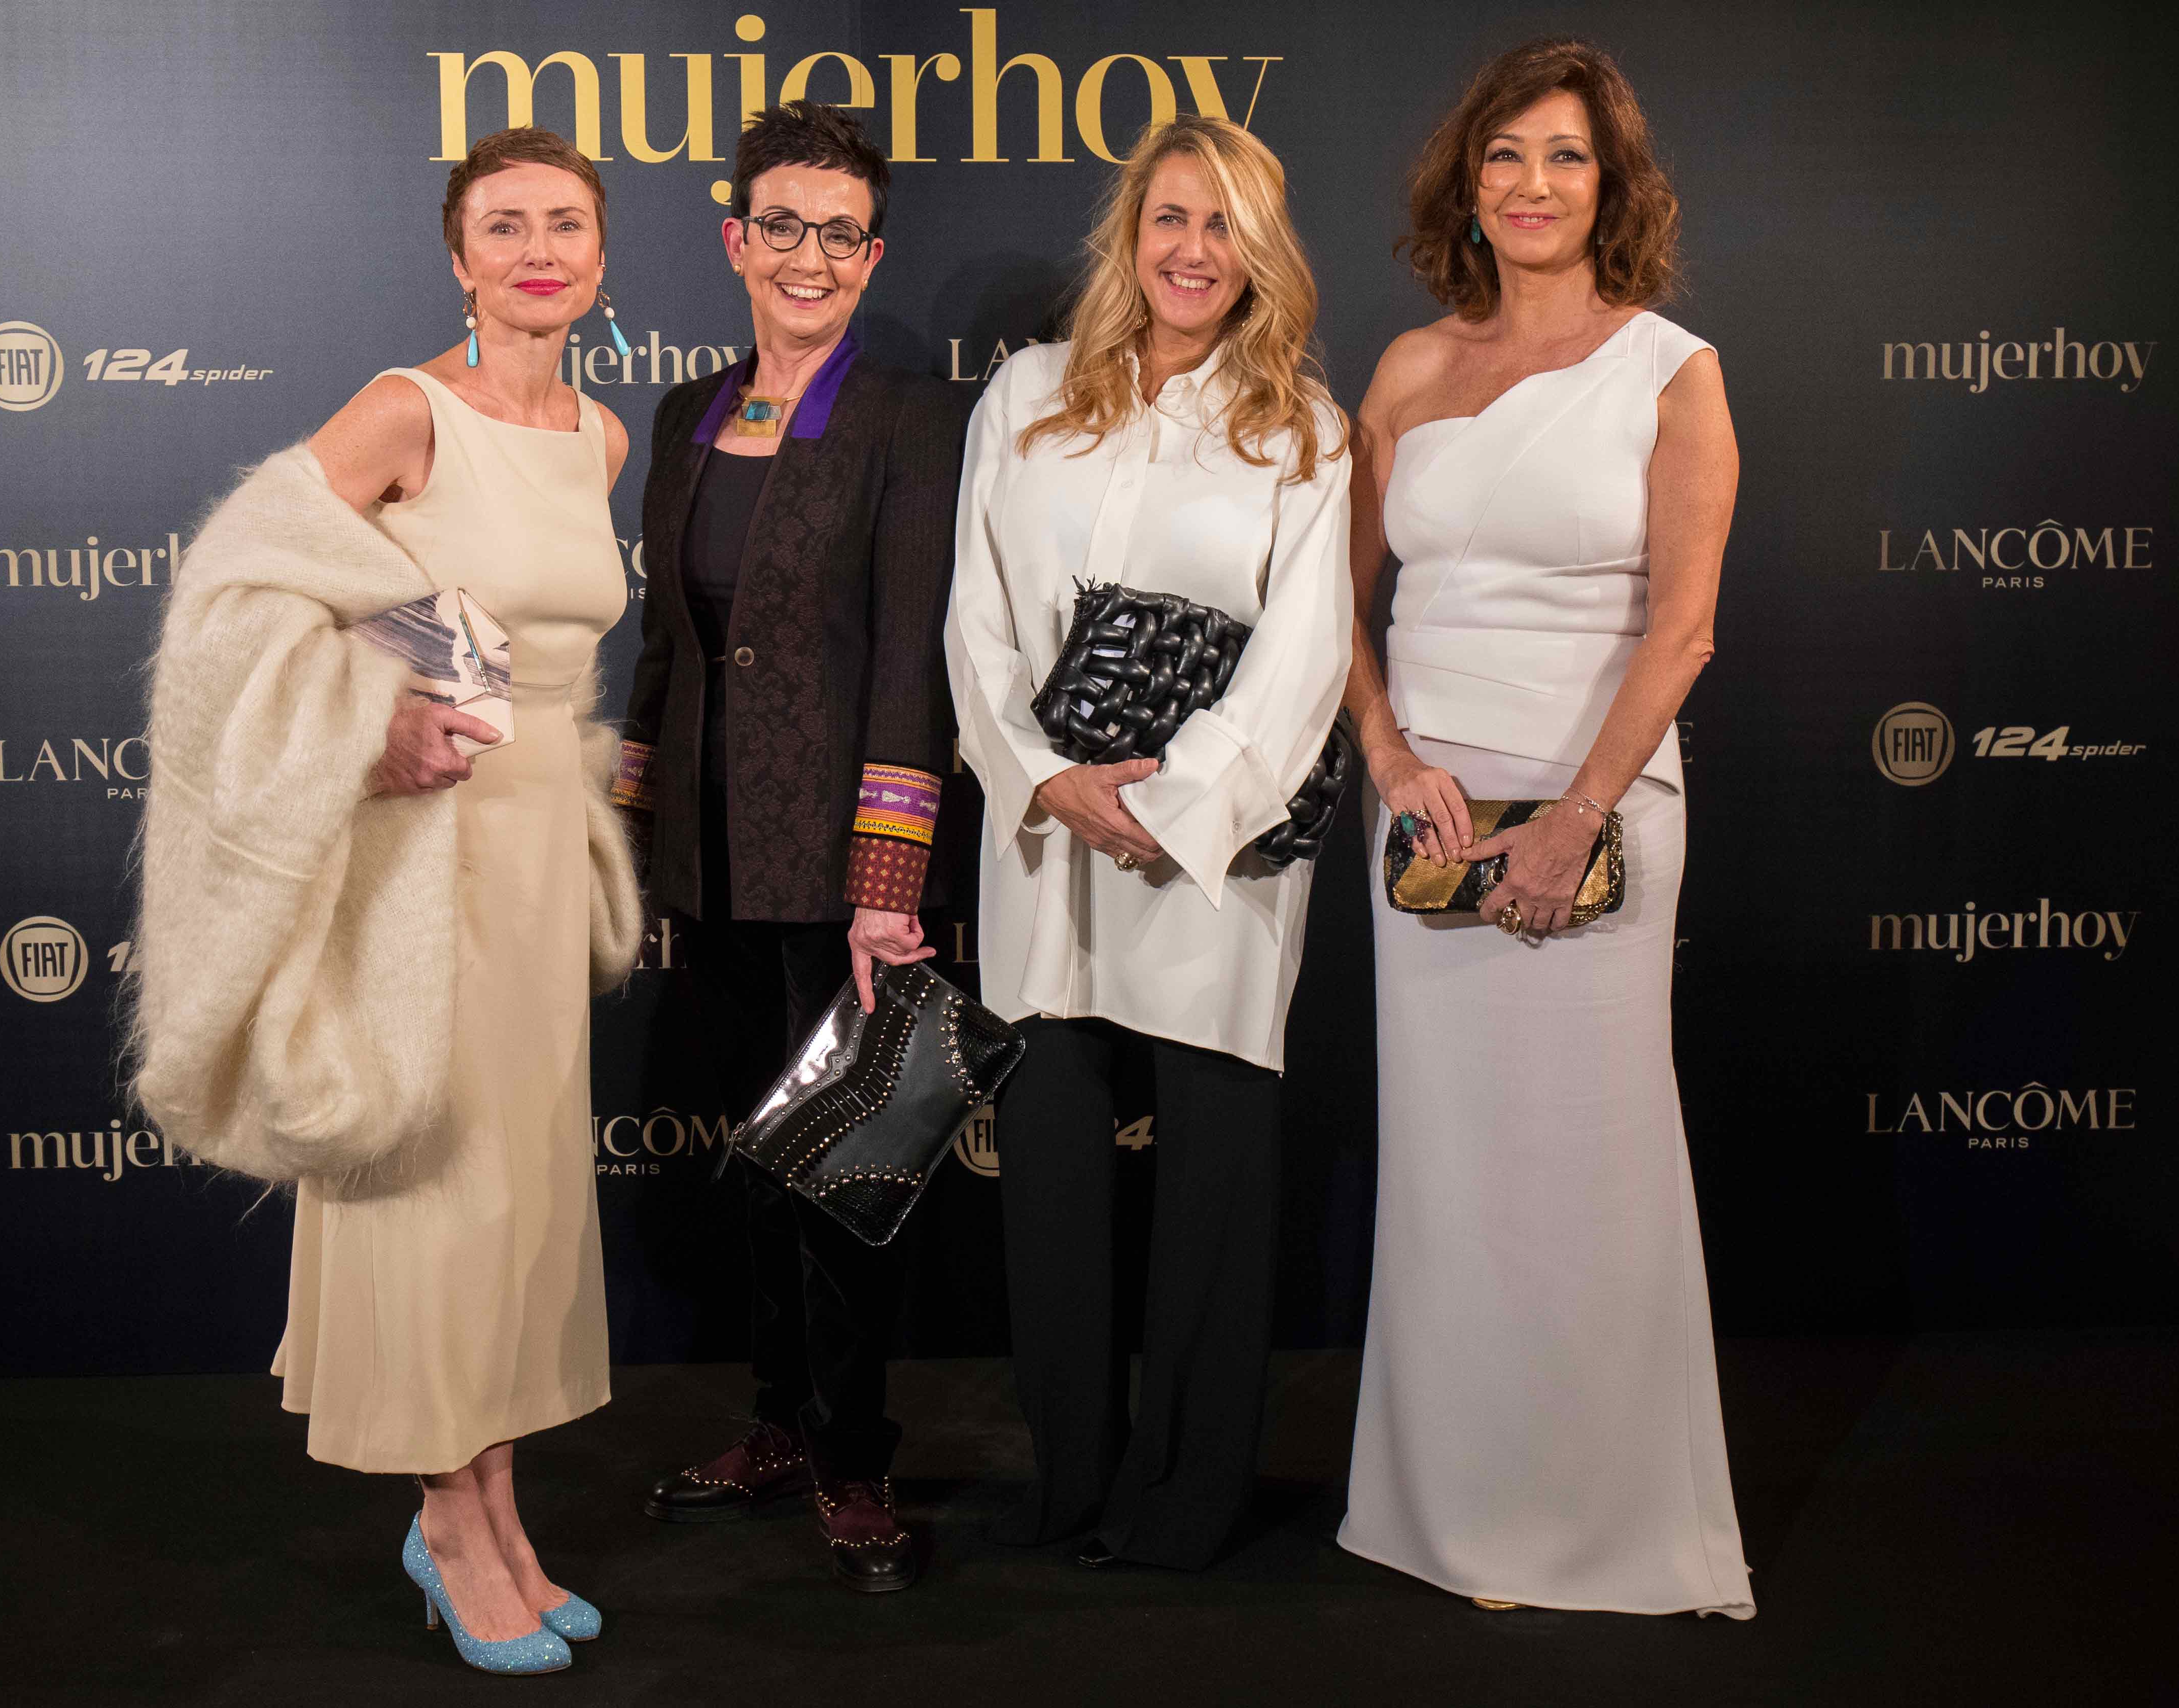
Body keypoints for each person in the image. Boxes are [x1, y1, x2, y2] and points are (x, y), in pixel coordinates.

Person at [135, 126, 638, 1675]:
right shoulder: (404, 411)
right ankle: (447, 1521)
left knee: (516, 1192)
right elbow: (230, 593)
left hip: (542, 847)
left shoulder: (602, 434)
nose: (538, 249)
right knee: (429, 1179)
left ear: (603, 255)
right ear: (458, 255)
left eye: (565, 223)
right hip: (423, 856)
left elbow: (555, 657)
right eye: (506, 226)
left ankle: (486, 1514)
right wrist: (368, 728)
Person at [1333, 39, 1755, 1618]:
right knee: (1452, 1170)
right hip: (1433, 827)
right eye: (1503, 154)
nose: (1529, 184)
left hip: (1594, 818)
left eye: (1564, 156)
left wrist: (1570, 817)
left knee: (1587, 1166)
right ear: (1467, 182)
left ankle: (1595, 1517)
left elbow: (1685, 625)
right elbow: (1337, 605)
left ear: (1610, 186)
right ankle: (1457, 1510)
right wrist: (1386, 759)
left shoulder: (1673, 369)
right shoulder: (1405, 372)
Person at [945, 114, 1354, 1571]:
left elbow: (1303, 664)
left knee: (1214, 1190)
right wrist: (1049, 780)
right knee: (1050, 1175)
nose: (1193, 250)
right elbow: (974, 618)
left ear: (1263, 254)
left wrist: (1166, 806)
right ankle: (1069, 1484)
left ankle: (1186, 1499)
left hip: (1215, 859)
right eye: (1170, 218)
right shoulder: (1027, 396)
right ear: (1130, 234)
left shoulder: (1303, 429)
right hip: (1045, 844)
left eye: (1224, 225)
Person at [618, 100, 967, 1594]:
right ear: (735, 240)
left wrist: (886, 891)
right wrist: (623, 844)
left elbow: (911, 662)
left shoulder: (908, 416)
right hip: (706, 862)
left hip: (840, 873)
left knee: (842, 1175)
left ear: (870, 252)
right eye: (783, 227)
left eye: (839, 233)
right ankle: (774, 1423)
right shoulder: (684, 412)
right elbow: (660, 651)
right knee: (754, 1167)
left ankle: (853, 1458)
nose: (807, 256)